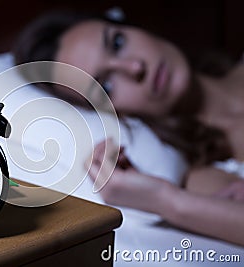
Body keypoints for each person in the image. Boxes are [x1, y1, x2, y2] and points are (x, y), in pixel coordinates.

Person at [12, 10, 244, 246]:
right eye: (108, 85)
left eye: (118, 42)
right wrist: (166, 201)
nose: (134, 67)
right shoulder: (209, 182)